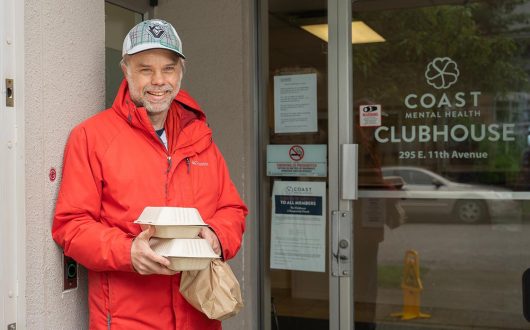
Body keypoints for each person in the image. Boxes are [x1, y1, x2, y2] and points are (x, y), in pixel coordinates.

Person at [52, 19, 248, 329]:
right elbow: (71, 226)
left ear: (180, 73)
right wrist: (127, 251)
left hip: (197, 317)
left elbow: (232, 209)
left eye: (168, 69)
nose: (158, 81)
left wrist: (217, 236)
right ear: (126, 71)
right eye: (145, 69)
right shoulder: (92, 137)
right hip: (127, 320)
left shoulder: (199, 137)